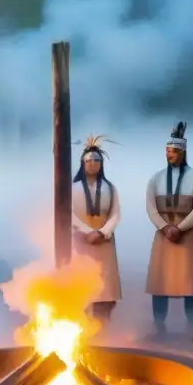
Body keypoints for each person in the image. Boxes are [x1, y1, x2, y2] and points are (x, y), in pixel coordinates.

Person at [145, 121, 193, 340]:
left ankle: (192, 327)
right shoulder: (156, 178)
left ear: (182, 152)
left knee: (189, 283)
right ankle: (158, 325)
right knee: (159, 282)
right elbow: (150, 207)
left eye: (173, 151)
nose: (169, 154)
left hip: (188, 235)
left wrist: (180, 228)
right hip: (164, 235)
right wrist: (164, 227)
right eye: (167, 151)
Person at [72, 135, 122, 323]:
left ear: (101, 164)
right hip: (80, 242)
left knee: (105, 288)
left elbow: (115, 214)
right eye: (88, 161)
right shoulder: (72, 188)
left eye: (96, 161)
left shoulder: (110, 188)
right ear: (82, 164)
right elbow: (68, 214)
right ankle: (81, 328)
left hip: (104, 244)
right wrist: (87, 232)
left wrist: (102, 232)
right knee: (81, 286)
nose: (92, 164)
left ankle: (102, 326)